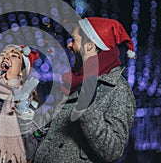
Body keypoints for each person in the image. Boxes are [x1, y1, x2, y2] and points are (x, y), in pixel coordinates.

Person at [34, 17, 136, 163]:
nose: (69, 45)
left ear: (89, 46)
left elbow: (113, 151)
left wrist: (87, 104)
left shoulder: (117, 89)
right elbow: (51, 135)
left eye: (74, 39)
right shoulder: (72, 83)